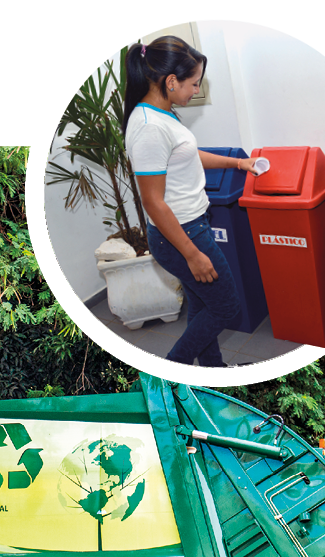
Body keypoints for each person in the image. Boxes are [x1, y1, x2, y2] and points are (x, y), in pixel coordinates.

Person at [123, 35, 257, 366]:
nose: (195, 90)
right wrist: (193, 254)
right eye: (193, 84)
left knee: (202, 305)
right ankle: (173, 368)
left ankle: (214, 369)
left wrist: (238, 163)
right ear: (171, 81)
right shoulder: (149, 127)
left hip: (192, 226)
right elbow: (153, 202)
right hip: (182, 235)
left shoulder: (162, 113)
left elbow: (187, 155)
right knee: (226, 307)